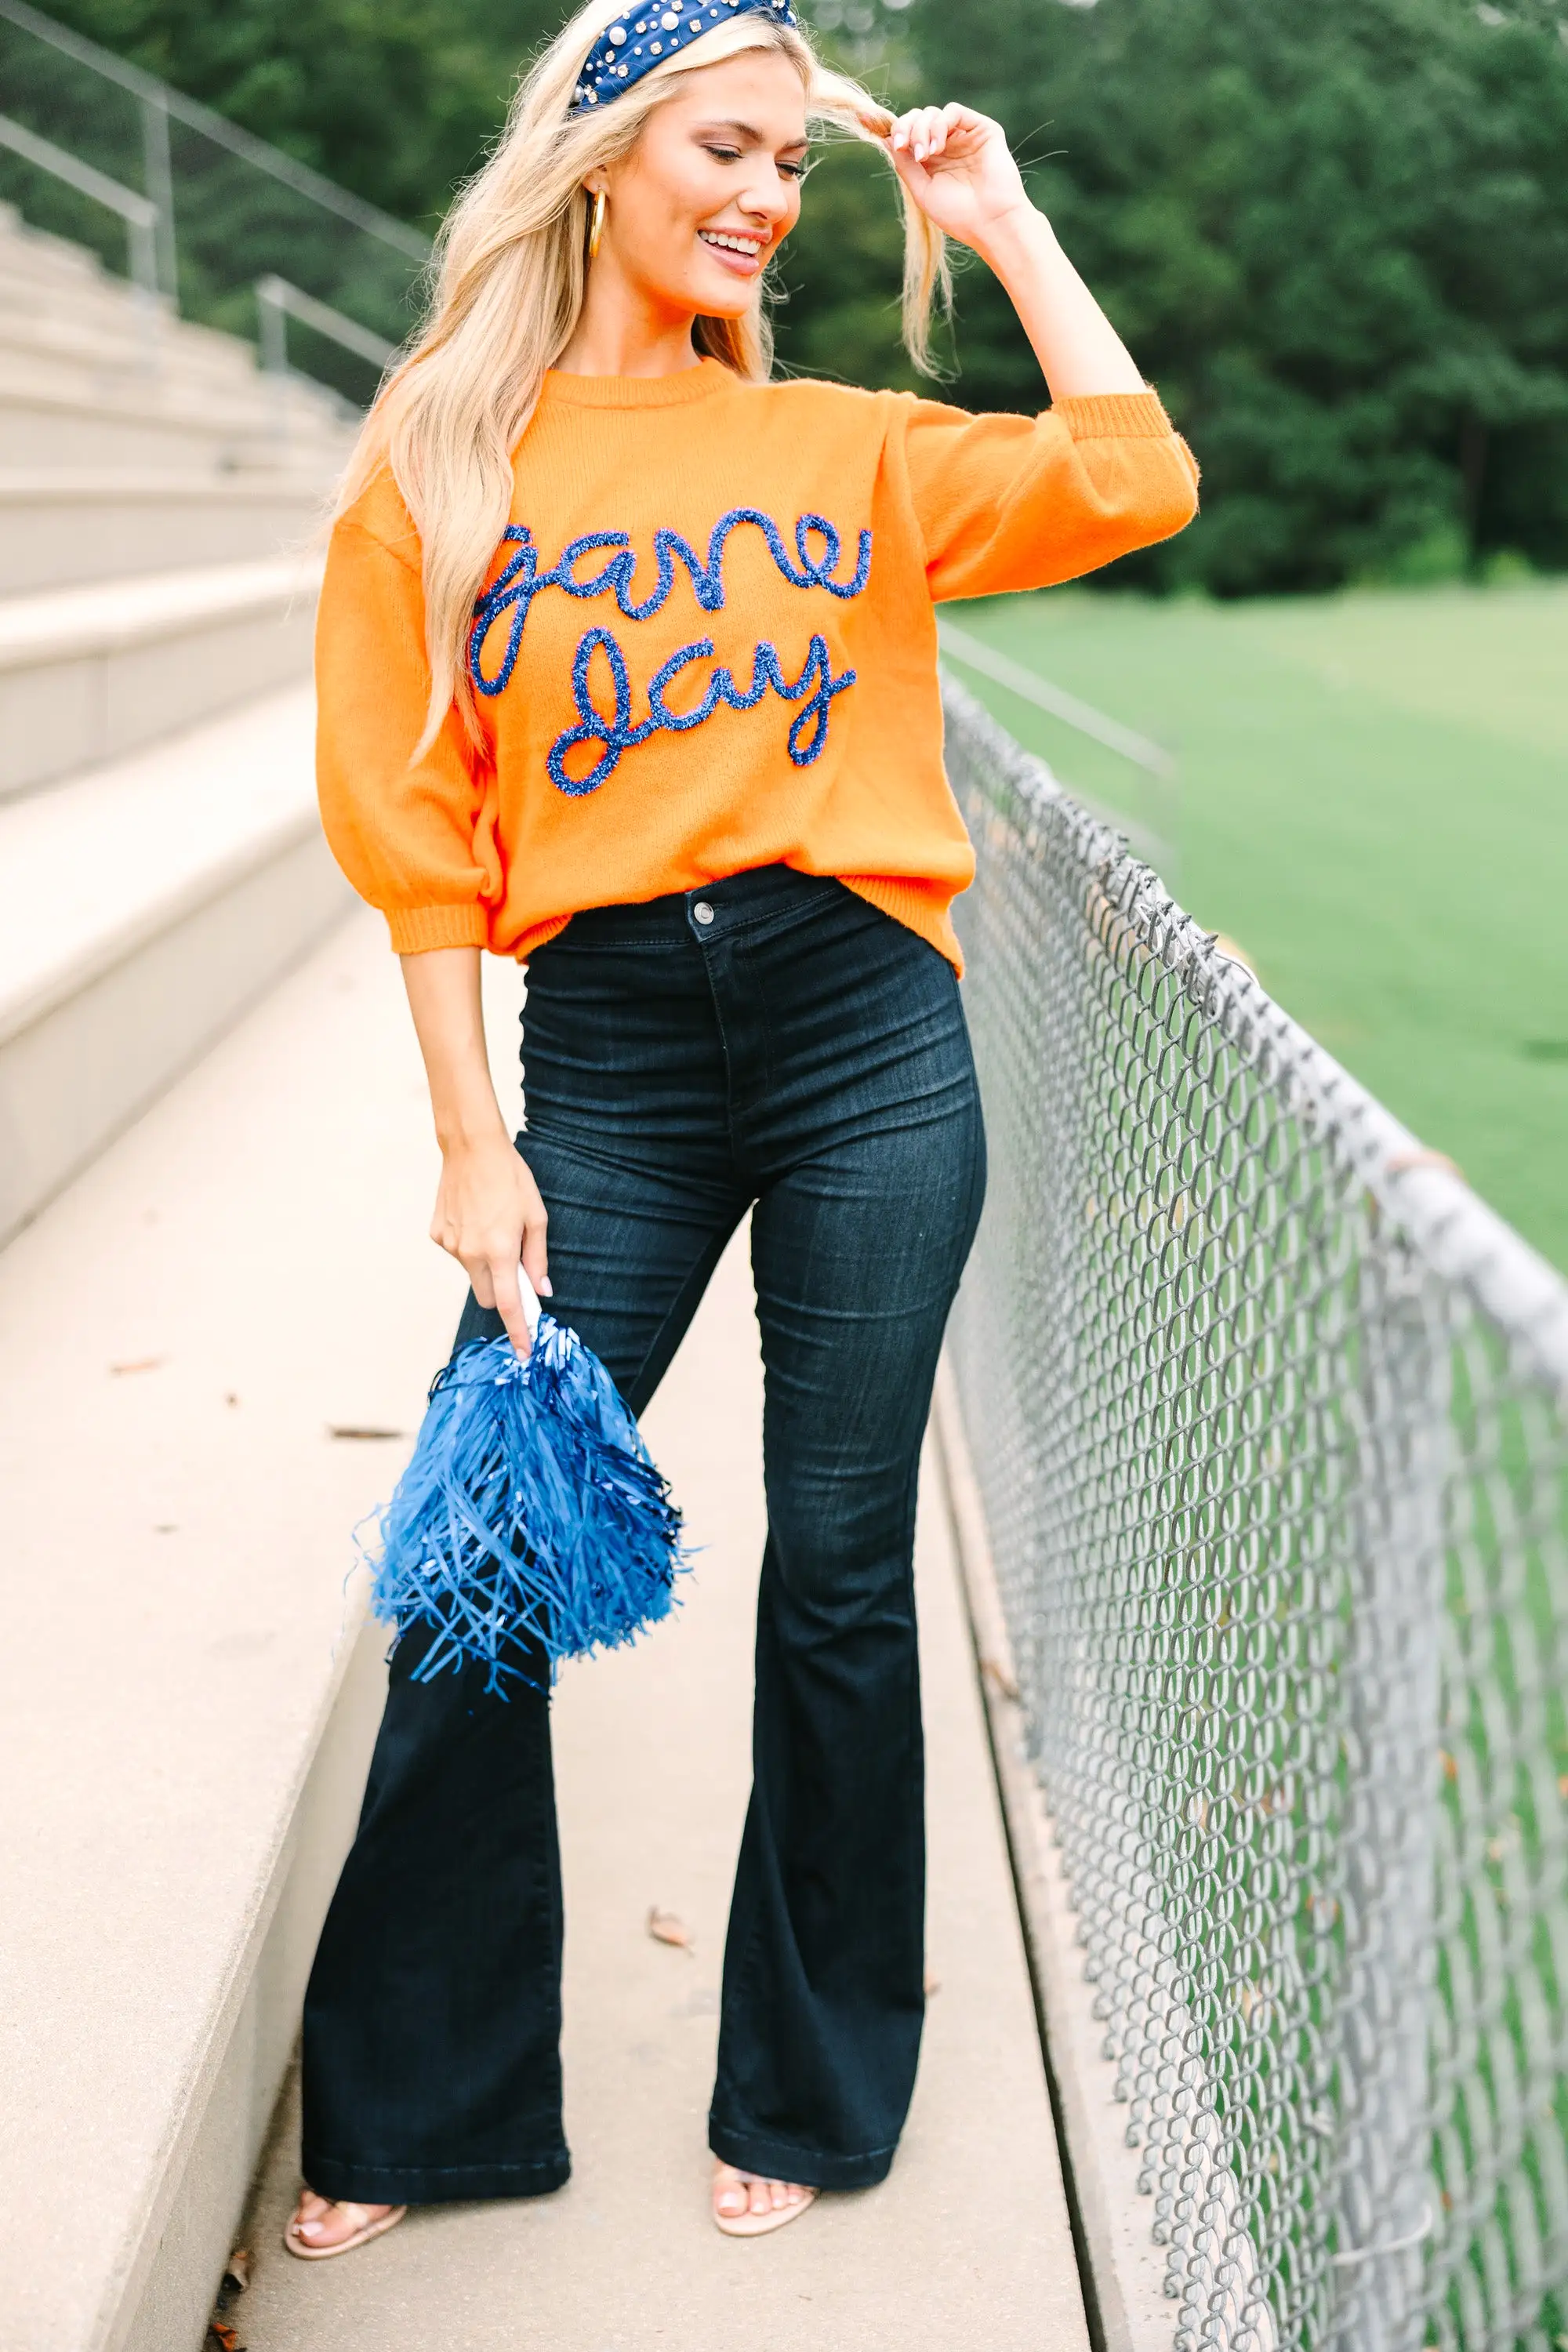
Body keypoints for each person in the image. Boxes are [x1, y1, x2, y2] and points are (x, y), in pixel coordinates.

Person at [287, 0, 1198, 2260]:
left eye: (794, 162)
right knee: (484, 1562)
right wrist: (465, 1135)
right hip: (601, 1047)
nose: (766, 195)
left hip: (866, 1027)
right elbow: (408, 828)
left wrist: (992, 220)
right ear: (600, 157)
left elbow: (1135, 473)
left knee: (839, 1568)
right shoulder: (442, 455)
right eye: (727, 144)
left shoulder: (846, 440)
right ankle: (421, 2105)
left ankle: (811, 2083)